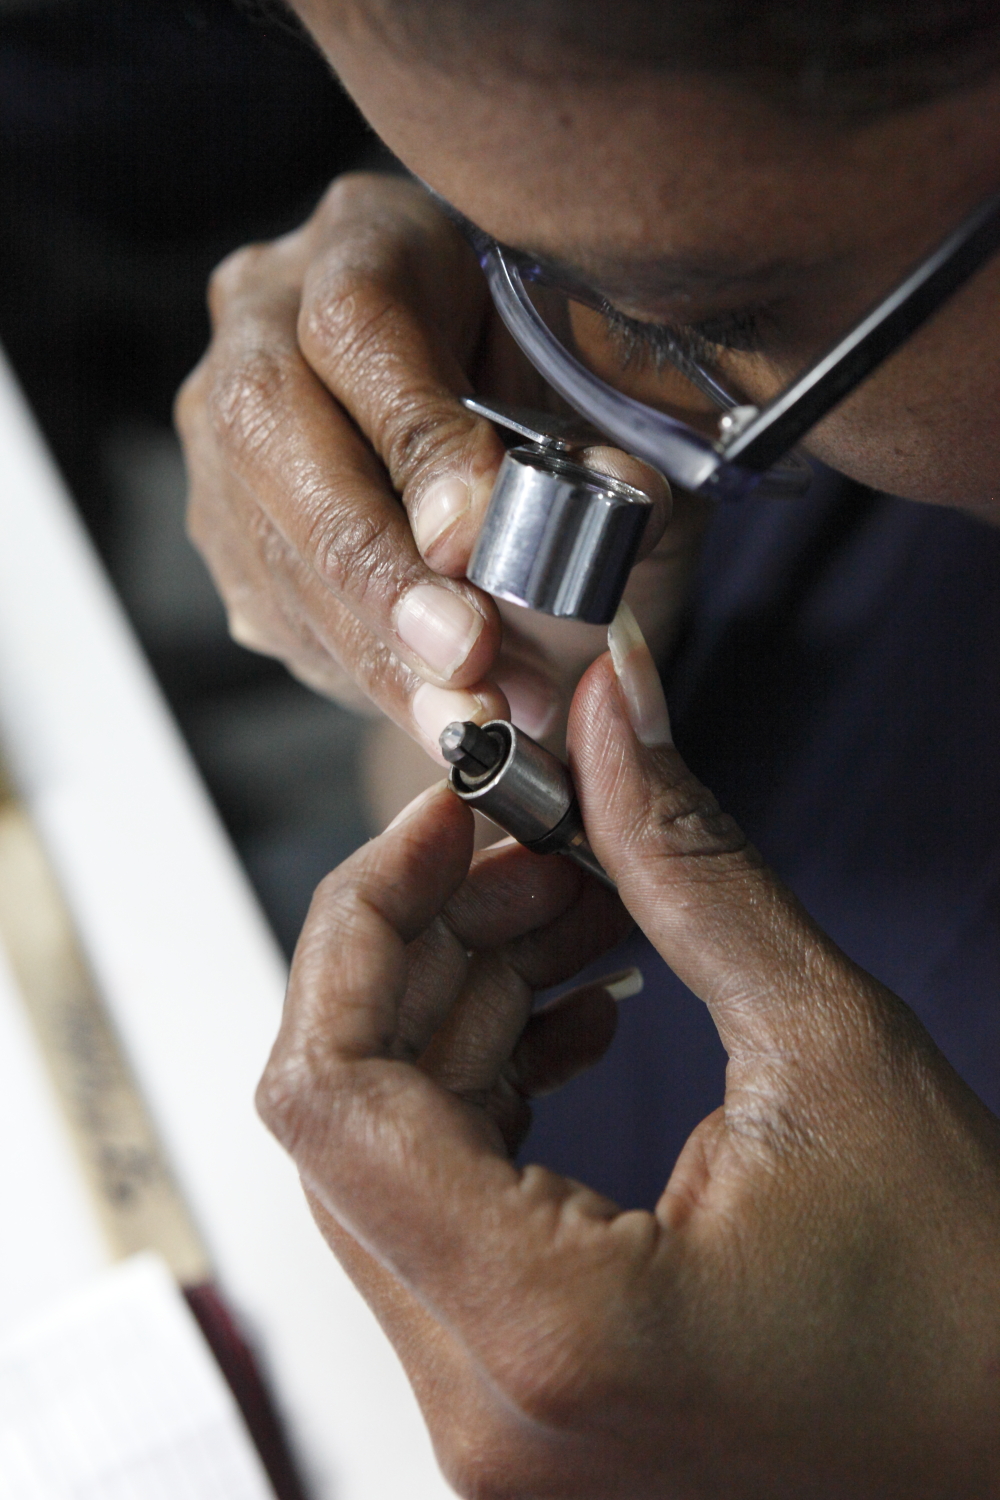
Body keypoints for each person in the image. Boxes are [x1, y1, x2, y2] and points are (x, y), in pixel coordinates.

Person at [176, 1, 1000, 1491]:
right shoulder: (816, 392)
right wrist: (485, 661)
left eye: (695, 321)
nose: (622, 389)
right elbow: (463, 818)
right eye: (505, 252)